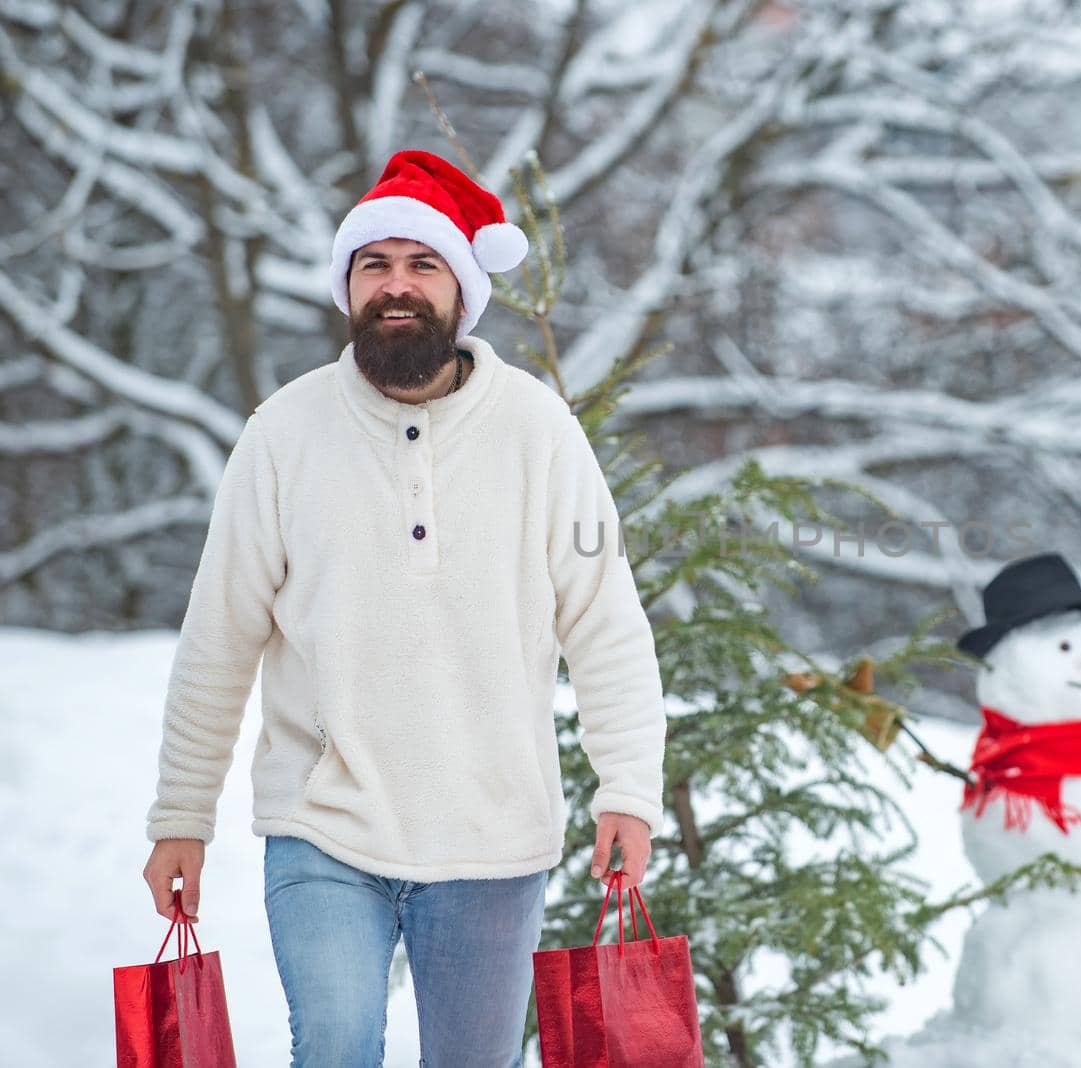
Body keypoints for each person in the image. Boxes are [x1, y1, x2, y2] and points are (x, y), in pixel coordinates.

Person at [140, 149, 667, 1067]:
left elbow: (606, 622)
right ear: (347, 289)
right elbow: (219, 637)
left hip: (492, 837)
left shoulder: (540, 433)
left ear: (462, 291)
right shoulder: (283, 435)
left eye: (423, 264)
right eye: (374, 264)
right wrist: (181, 815)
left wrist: (628, 788)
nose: (397, 285)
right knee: (337, 1041)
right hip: (324, 824)